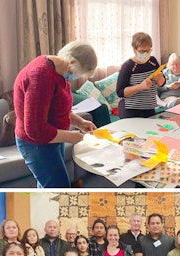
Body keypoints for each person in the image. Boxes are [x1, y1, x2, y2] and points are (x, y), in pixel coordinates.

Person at [12, 40, 98, 188]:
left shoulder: (59, 71)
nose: (76, 77)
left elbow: (57, 108)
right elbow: (35, 130)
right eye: (78, 73)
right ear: (72, 62)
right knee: (59, 188)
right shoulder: (40, 76)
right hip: (36, 144)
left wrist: (80, 122)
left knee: (48, 185)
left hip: (52, 139)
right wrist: (72, 137)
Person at [117, 32, 165, 119]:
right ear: (134, 50)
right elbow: (120, 92)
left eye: (148, 50)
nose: (146, 54)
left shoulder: (153, 62)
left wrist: (161, 78)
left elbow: (161, 84)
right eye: (142, 51)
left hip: (149, 108)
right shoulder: (128, 66)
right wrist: (140, 87)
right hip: (130, 109)